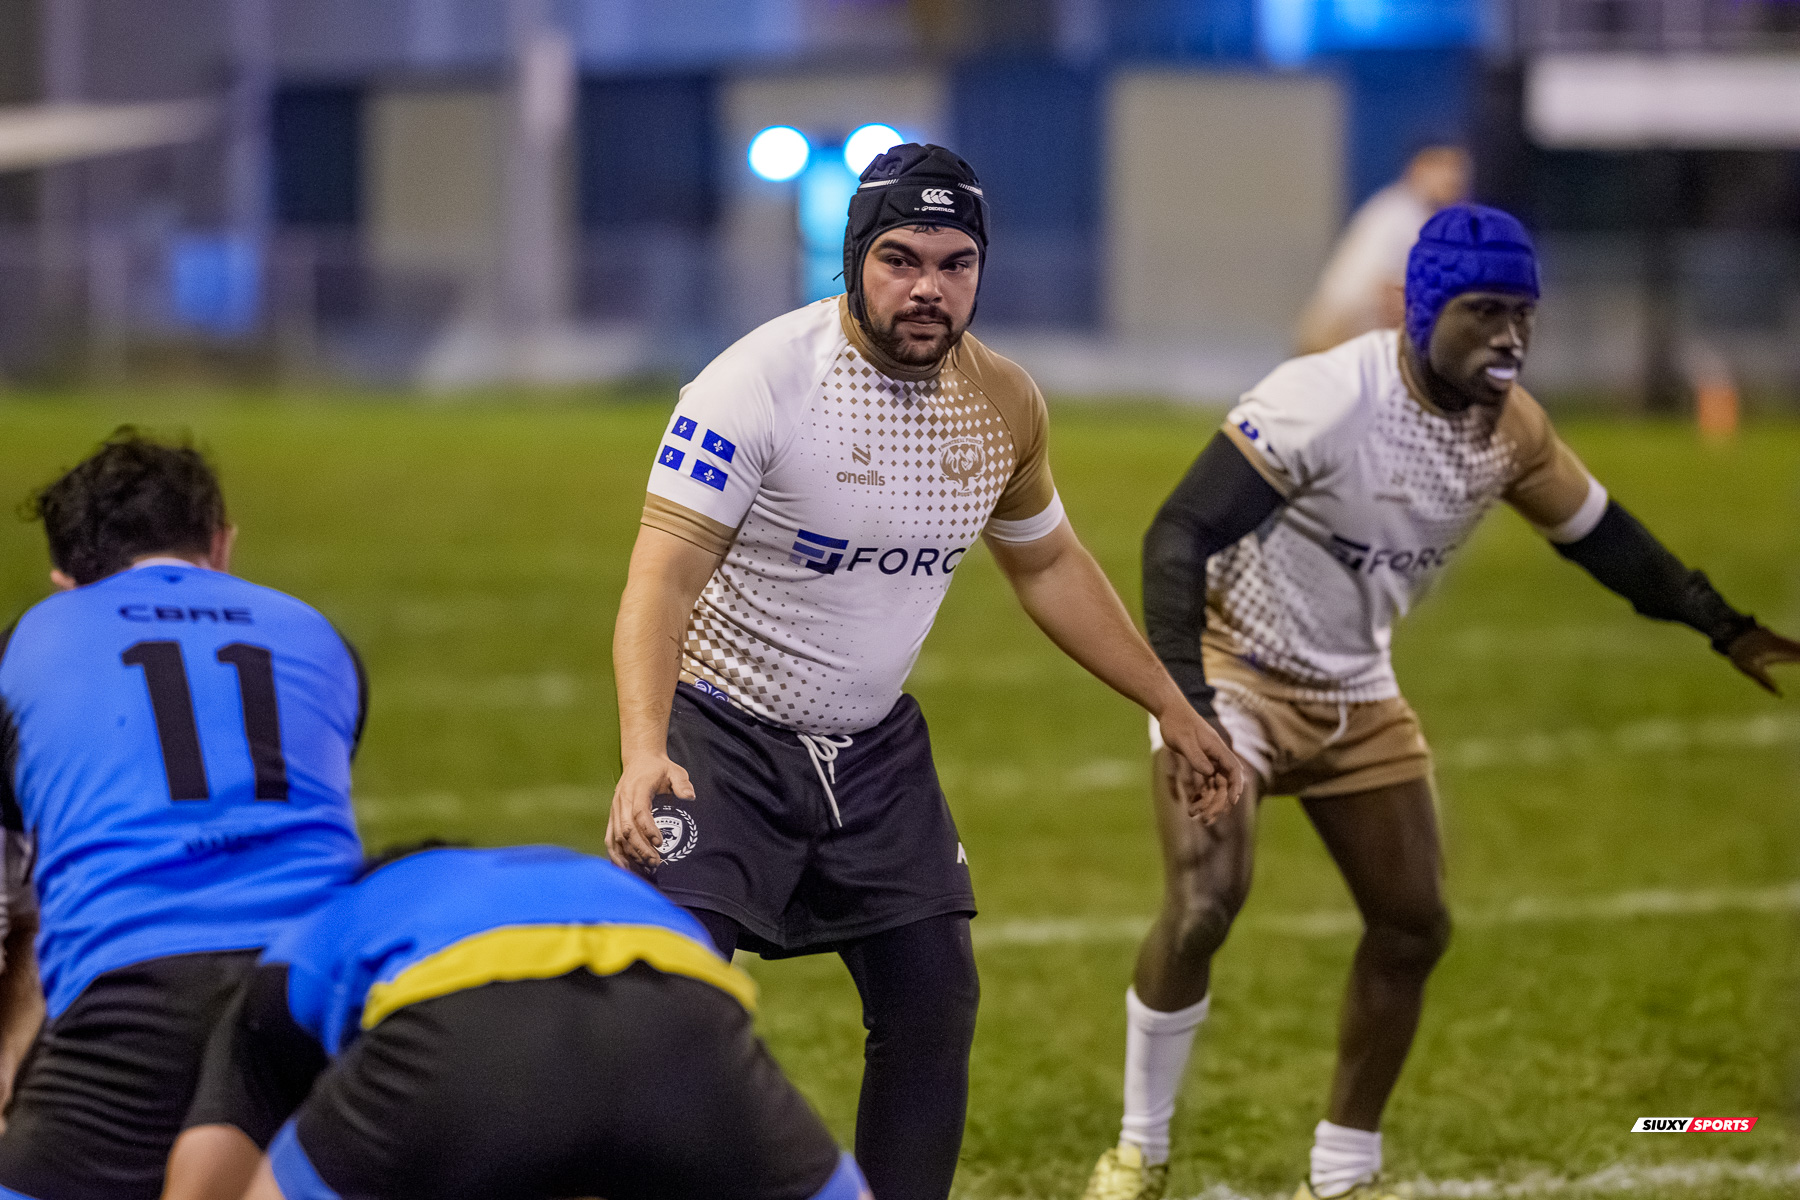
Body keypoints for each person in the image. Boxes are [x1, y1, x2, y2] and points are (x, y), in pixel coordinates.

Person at [1079, 204, 1800, 1200]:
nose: (1510, 335)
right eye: (1484, 311)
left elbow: (1603, 537)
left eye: (1523, 314)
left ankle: (1343, 1168)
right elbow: (1177, 535)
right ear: (1424, 313)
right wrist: (1187, 708)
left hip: (1356, 688)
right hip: (1231, 670)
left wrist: (1719, 621)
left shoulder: (1509, 432)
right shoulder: (1328, 398)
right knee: (1205, 902)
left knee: (1415, 923)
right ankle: (1137, 1151)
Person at [608, 142, 1245, 1200]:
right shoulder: (753, 384)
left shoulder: (1003, 404)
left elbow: (1047, 566)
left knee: (934, 998)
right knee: (664, 1009)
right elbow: (659, 585)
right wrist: (640, 752)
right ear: (856, 258)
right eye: (901, 259)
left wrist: (1172, 706)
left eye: (955, 264)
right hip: (717, 737)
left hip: (874, 752)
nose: (928, 290)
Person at [0, 430, 366, 1200]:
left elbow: (10, 907)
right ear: (221, 545)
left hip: (134, 995)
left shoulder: (30, 642)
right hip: (316, 987)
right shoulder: (317, 633)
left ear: (66, 580)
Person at [161, 843, 868, 1200]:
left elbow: (212, 1166)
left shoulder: (324, 929)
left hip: (459, 1027)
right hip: (684, 1014)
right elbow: (576, 1130)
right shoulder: (566, 879)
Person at [1294, 145, 1471, 355]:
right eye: (1443, 167)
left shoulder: (1410, 211)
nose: (1453, 177)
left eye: (1458, 169)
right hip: (1338, 332)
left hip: (1346, 332)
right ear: (1418, 169)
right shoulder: (1404, 213)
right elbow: (1388, 295)